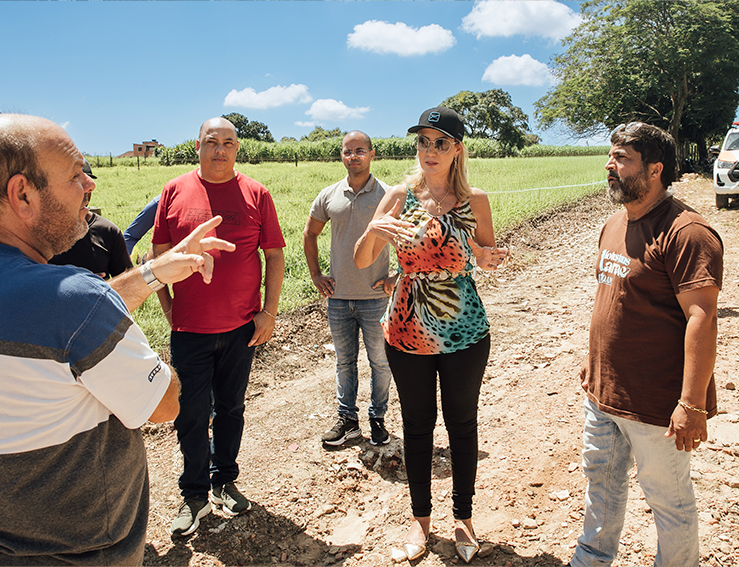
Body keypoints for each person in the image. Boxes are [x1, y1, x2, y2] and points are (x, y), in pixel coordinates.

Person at [0, 113, 234, 566]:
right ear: (23, 194)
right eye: (76, 175)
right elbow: (166, 403)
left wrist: (152, 273)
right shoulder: (76, 304)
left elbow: (56, 317)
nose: (90, 185)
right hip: (77, 553)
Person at [353, 107, 509, 564]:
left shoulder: (475, 200)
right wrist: (373, 230)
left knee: (462, 425)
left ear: (458, 149)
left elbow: (480, 253)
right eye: (423, 141)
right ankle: (421, 522)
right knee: (417, 427)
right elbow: (364, 261)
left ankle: (463, 518)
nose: (430, 151)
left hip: (465, 331)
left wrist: (488, 257)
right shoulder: (399, 196)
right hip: (406, 330)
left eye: (441, 142)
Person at [569, 123, 723, 567]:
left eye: (622, 158)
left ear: (656, 169)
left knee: (669, 502)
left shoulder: (687, 232)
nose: (609, 165)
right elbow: (612, 299)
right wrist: (593, 360)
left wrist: (692, 404)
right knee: (600, 484)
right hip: (603, 394)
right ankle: (592, 559)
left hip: (657, 403)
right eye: (611, 156)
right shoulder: (615, 223)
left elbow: (702, 317)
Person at [152, 116, 285, 538]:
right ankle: (193, 495)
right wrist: (170, 309)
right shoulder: (174, 191)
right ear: (198, 146)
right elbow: (159, 253)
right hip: (190, 329)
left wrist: (269, 311)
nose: (220, 150)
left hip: (242, 327)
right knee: (190, 413)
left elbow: (275, 255)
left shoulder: (256, 193)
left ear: (237, 149)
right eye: (212, 142)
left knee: (230, 407)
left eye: (228, 142)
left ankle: (224, 480)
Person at [303, 130, 394, 447]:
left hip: (375, 297)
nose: (353, 156)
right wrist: (316, 275)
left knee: (380, 362)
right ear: (341, 156)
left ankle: (378, 418)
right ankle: (348, 421)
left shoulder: (389, 195)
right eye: (347, 151)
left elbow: (417, 238)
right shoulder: (329, 195)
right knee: (344, 362)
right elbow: (309, 234)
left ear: (372, 154)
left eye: (359, 150)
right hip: (338, 298)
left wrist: (396, 277)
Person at [49, 160, 133, 278]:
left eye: (86, 183)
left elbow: (129, 287)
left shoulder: (108, 231)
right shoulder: (34, 236)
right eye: (75, 181)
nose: (88, 189)